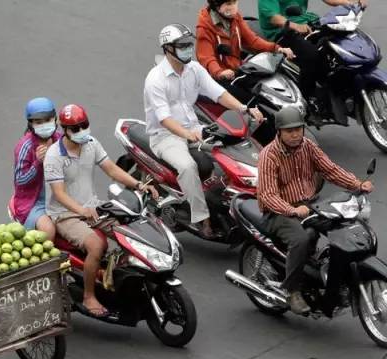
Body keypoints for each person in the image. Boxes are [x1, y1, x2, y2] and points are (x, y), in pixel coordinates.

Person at [144, 24, 264, 238]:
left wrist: (244, 109)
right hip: (166, 137)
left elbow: (218, 93)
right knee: (189, 167)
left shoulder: (194, 69)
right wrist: (188, 134)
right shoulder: (156, 79)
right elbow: (164, 119)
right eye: (182, 46)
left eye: (189, 44)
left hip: (195, 128)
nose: (188, 49)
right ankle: (201, 219)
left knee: (230, 152)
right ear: (168, 49)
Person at [44, 104, 158, 318]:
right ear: (64, 130)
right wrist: (82, 210)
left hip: (94, 206)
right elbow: (59, 194)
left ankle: (115, 277)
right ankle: (89, 296)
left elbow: (112, 169)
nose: (81, 131)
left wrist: (138, 185)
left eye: (83, 125)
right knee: (97, 245)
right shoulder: (53, 156)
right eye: (75, 128)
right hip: (65, 214)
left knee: (131, 232)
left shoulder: (91, 143)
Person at [257, 106, 373, 315]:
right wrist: (292, 210)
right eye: (289, 131)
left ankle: (332, 277)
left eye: (298, 129)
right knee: (301, 239)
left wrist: (358, 184)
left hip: (309, 205)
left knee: (342, 226)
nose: (295, 134)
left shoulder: (307, 146)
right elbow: (267, 196)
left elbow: (330, 169)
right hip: (278, 212)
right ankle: (292, 291)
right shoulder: (269, 155)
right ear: (279, 132)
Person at [257, 0, 368, 106]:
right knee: (312, 55)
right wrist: (295, 26)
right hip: (280, 31)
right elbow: (272, 17)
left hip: (304, 23)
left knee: (338, 42)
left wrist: (350, 3)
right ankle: (305, 98)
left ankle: (337, 89)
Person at [196, 0, 295, 103]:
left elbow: (253, 41)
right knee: (250, 99)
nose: (233, 7)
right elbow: (207, 58)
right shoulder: (205, 27)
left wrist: (277, 48)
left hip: (235, 69)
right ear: (216, 6)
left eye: (235, 2)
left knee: (265, 87)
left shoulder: (235, 18)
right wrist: (219, 72)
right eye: (228, 4)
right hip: (216, 78)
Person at [11, 97, 60, 240]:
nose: (44, 125)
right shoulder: (25, 147)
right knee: (48, 231)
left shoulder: (61, 139)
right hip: (35, 202)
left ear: (55, 119)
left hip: (60, 196)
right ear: (31, 124)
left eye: (48, 120)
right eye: (39, 122)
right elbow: (20, 180)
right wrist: (37, 163)